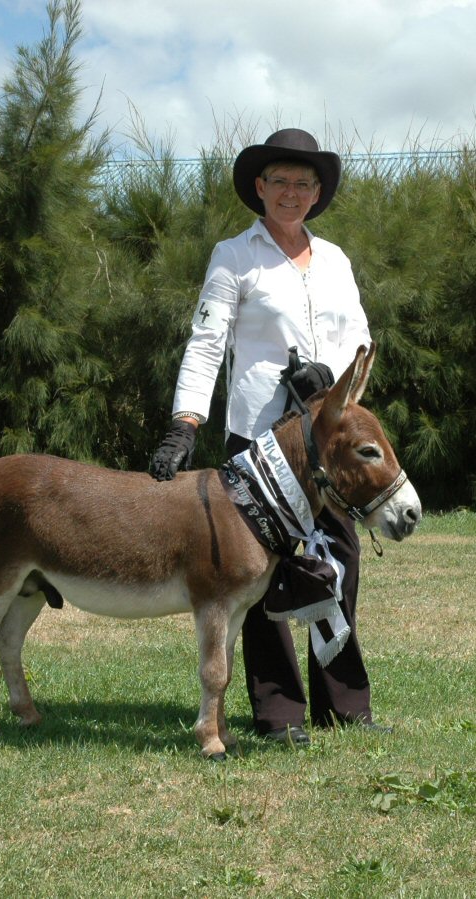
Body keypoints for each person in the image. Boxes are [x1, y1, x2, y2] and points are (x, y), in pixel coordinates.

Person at [150, 127, 392, 748]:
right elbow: (207, 343)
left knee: (339, 560)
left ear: (317, 193)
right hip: (258, 443)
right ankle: (278, 712)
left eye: (303, 183)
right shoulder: (234, 256)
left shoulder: (336, 260)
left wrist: (332, 386)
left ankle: (343, 707)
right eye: (280, 181)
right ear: (259, 188)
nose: (291, 192)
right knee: (256, 575)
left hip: (327, 445)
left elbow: (362, 342)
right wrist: (186, 422)